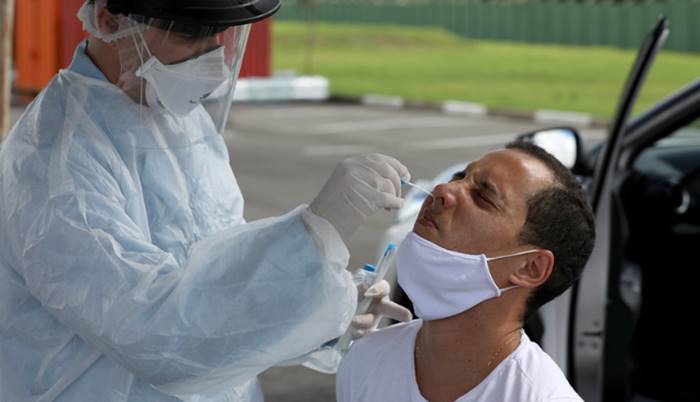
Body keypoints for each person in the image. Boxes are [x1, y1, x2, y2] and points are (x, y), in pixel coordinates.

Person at [0, 1, 411, 401]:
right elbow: (157, 333)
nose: (212, 55)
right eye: (189, 31)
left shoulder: (176, 118)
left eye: (219, 32)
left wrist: (322, 302)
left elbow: (219, 276)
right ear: (110, 20)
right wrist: (317, 234)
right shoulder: (57, 158)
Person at [336, 141, 596, 402]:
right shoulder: (364, 361)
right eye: (458, 176)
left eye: (482, 197)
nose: (443, 190)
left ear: (530, 267)